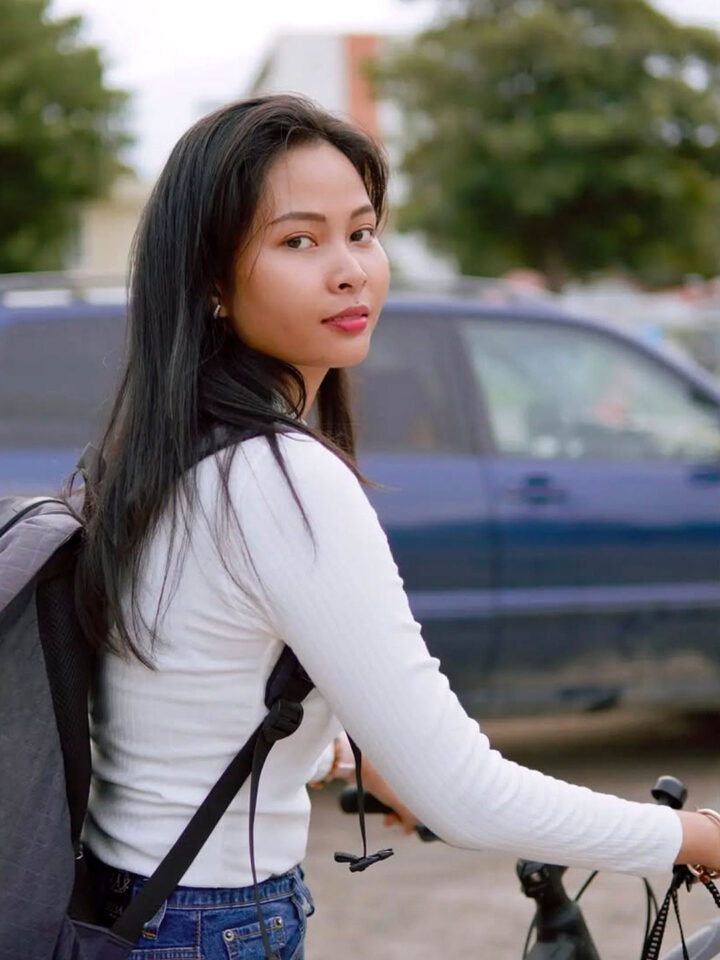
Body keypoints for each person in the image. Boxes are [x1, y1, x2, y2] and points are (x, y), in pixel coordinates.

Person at [76, 94, 720, 959]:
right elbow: (462, 792)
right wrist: (693, 838)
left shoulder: (165, 450)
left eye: (362, 232)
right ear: (212, 283)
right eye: (299, 240)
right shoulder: (281, 477)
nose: (349, 269)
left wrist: (344, 757)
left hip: (129, 901)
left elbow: (190, 698)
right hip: (208, 928)